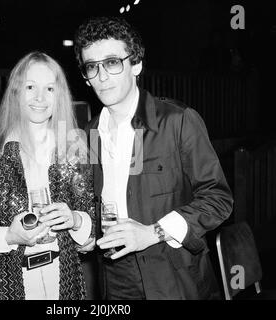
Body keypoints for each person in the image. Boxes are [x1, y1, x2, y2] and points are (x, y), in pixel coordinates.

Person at [74, 16, 233, 300]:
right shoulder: (91, 134)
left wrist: (153, 232)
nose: (101, 76)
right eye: (92, 67)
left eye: (112, 62)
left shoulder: (177, 121)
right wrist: (83, 229)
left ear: (136, 64)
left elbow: (218, 199)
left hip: (172, 274)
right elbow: (101, 200)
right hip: (113, 277)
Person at [0, 51, 95, 300]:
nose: (40, 97)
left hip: (64, 282)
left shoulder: (74, 152)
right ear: (16, 92)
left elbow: (91, 236)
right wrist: (9, 236)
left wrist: (75, 219)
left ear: (59, 96)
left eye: (50, 89)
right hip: (5, 286)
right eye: (31, 86)